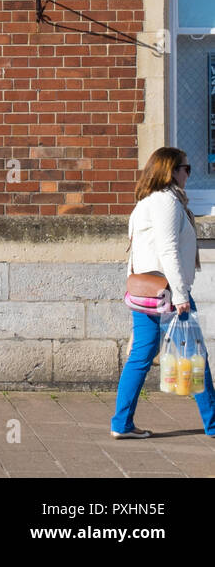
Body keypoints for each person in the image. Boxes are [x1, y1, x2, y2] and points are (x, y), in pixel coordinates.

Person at [111, 146, 215, 438]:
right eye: (186, 169)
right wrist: (181, 296)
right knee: (195, 355)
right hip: (168, 292)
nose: (188, 175)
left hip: (147, 291)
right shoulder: (166, 202)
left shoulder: (145, 202)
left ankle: (121, 424)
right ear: (171, 171)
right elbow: (168, 250)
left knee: (141, 357)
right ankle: (213, 423)